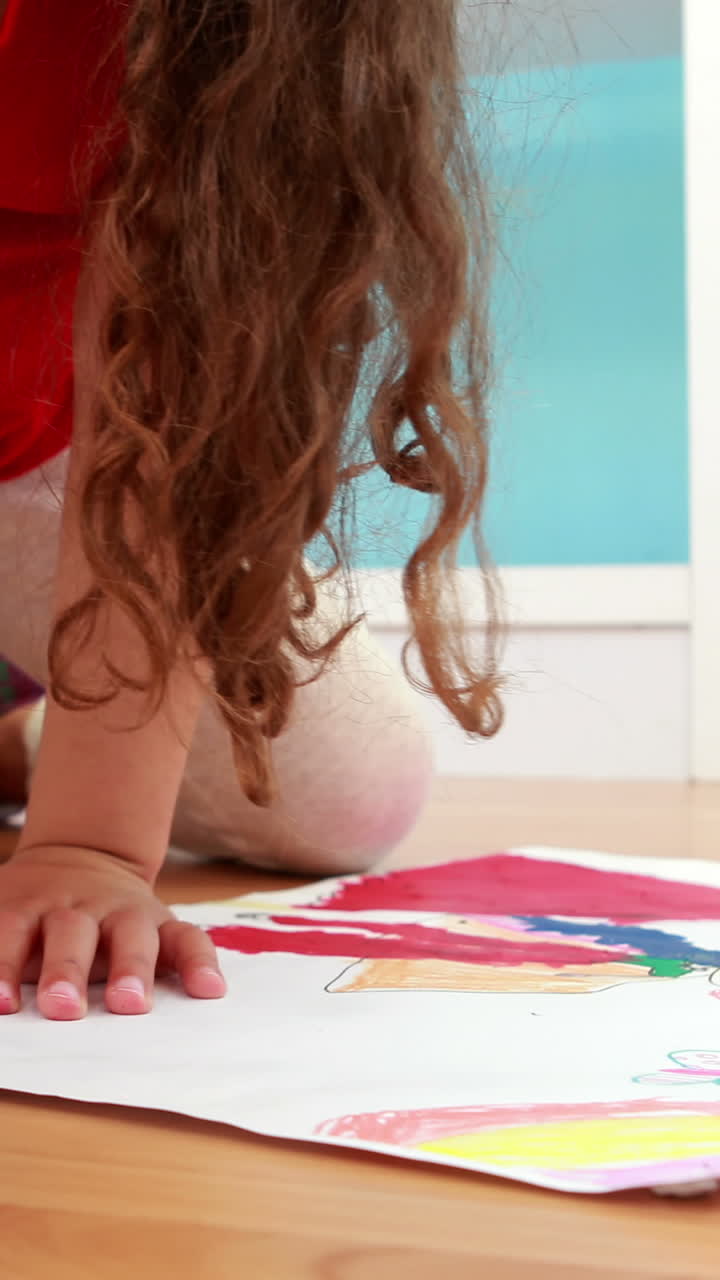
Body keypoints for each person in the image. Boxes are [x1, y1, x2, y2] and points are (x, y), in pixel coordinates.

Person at [0, 0, 501, 1020]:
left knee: (352, 788)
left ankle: (19, 738)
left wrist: (88, 845)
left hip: (39, 439)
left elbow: (173, 402)